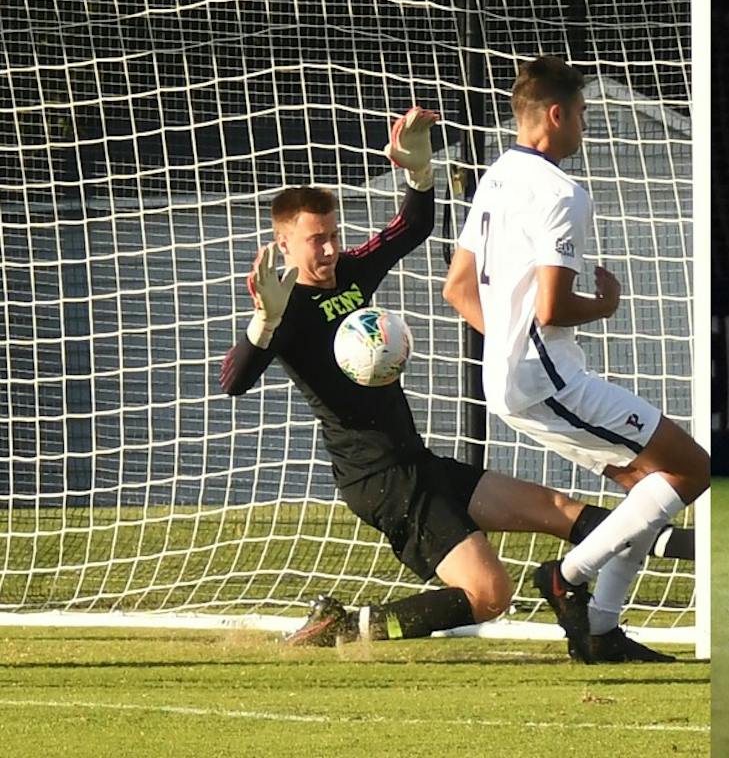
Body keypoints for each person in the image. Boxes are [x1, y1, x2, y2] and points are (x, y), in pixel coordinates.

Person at [219, 106, 688, 652]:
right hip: (380, 481)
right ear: (284, 246)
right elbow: (234, 381)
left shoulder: (348, 271)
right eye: (314, 240)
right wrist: (264, 322)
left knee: (556, 510)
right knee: (490, 593)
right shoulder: (286, 310)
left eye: (331, 235)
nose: (327, 248)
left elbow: (409, 229)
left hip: (416, 462)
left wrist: (420, 175)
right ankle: (343, 631)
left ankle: (677, 548)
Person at [444, 56, 710, 663]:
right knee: (693, 469)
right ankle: (566, 576)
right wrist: (604, 305)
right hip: (549, 378)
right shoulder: (561, 192)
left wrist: (509, 346)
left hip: (513, 378)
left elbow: (457, 288)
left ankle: (602, 632)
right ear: (556, 114)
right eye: (584, 114)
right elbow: (552, 308)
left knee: (651, 486)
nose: (587, 127)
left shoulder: (498, 175)